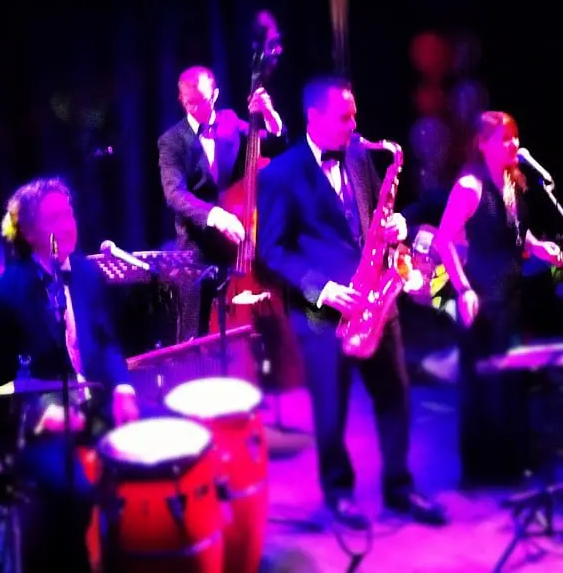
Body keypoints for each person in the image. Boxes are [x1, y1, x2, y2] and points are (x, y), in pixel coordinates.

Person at [256, 75, 446, 528]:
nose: (354, 124)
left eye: (354, 114)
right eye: (344, 117)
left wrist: (397, 227)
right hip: (323, 311)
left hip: (376, 300)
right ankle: (339, 492)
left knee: (395, 396)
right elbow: (272, 252)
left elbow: (375, 215)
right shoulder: (280, 174)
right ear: (315, 116)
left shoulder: (359, 156)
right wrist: (321, 289)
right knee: (331, 406)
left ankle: (400, 487)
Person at [0, 177, 140, 573]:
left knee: (163, 454)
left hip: (93, 409)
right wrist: (43, 414)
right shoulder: (0, 297)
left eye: (69, 213)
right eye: (55, 217)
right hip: (34, 428)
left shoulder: (87, 274)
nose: (69, 224)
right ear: (28, 232)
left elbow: (107, 342)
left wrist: (124, 389)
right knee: (73, 491)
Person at [436, 111, 563, 486]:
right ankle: (480, 472)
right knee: (482, 386)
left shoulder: (514, 181)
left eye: (515, 136)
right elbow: (444, 240)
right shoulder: (470, 187)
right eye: (505, 138)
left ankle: (511, 466)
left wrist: (540, 248)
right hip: (480, 300)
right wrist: (462, 289)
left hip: (509, 298)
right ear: (482, 144)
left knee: (510, 383)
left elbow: (518, 235)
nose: (514, 144)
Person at [157, 65, 287, 339]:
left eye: (201, 101)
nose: (194, 109)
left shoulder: (230, 122)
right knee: (195, 335)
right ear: (181, 99)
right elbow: (175, 194)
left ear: (215, 95)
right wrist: (216, 215)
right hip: (197, 251)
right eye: (189, 102)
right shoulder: (171, 141)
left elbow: (272, 145)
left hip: (238, 247)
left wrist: (268, 114)